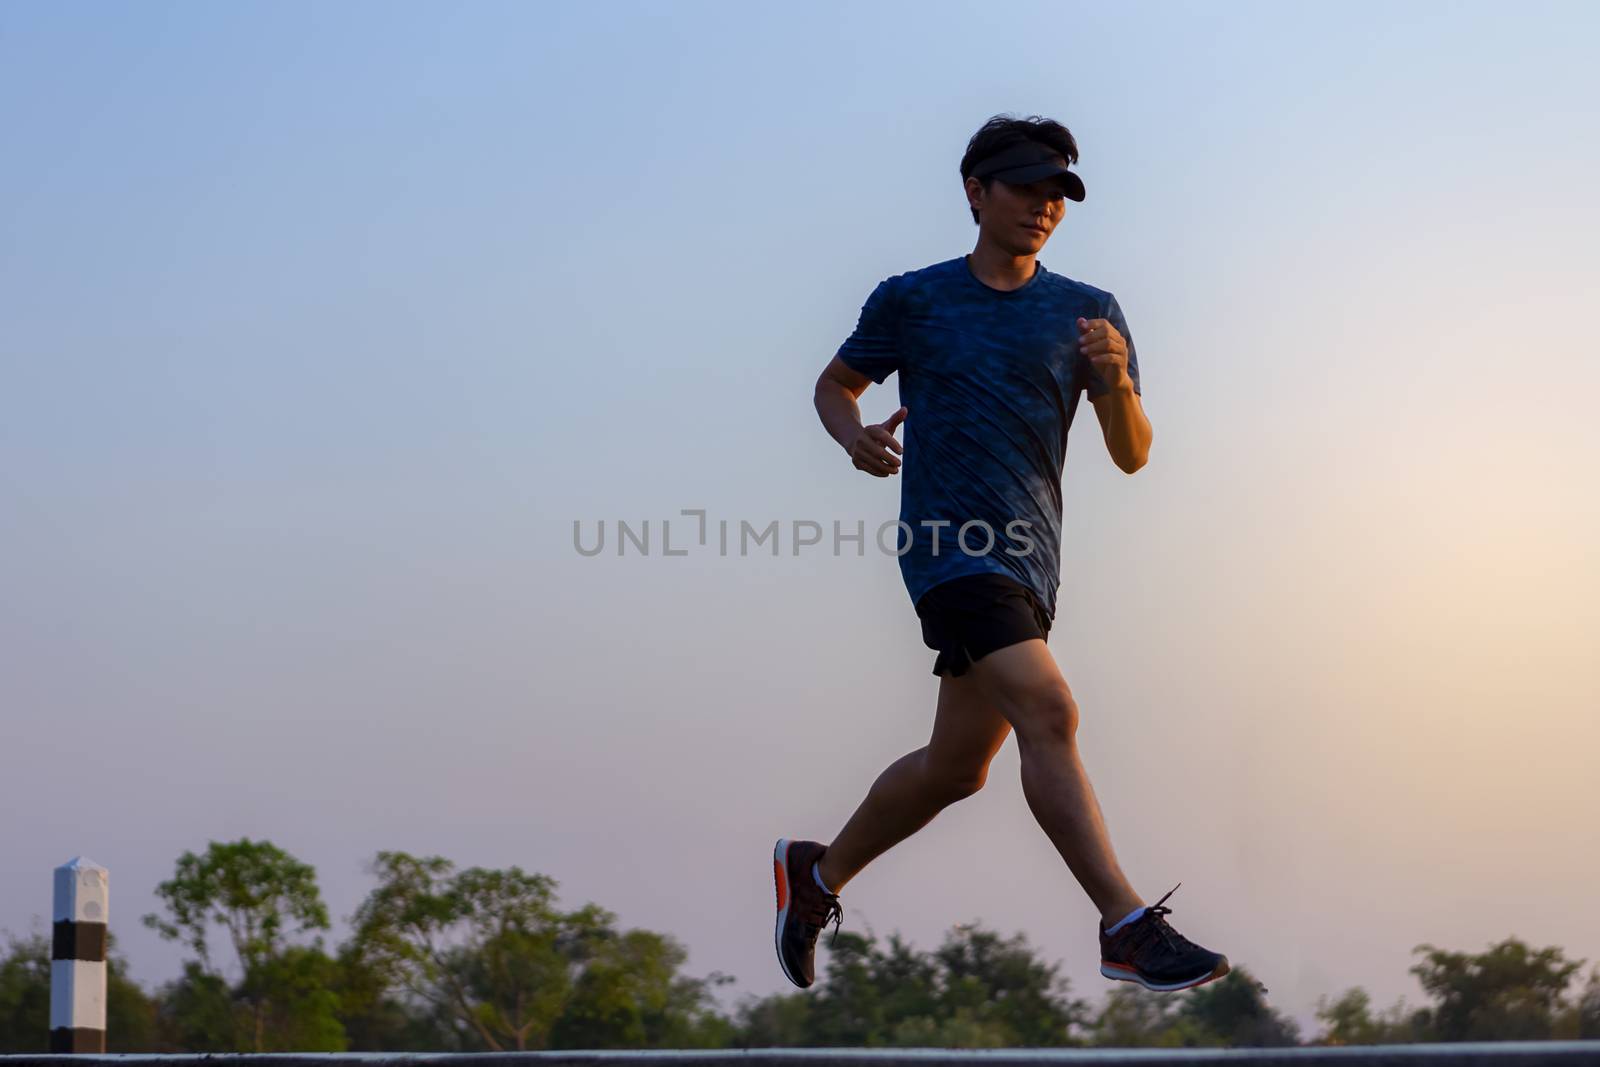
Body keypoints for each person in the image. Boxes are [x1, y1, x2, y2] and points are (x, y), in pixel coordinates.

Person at [773, 114, 1230, 994]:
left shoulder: (1089, 312)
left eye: (1057, 192)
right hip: (951, 546)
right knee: (1050, 710)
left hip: (1030, 558)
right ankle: (1126, 925)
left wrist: (1120, 379)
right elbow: (836, 384)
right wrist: (851, 437)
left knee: (958, 768)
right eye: (1025, 187)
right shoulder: (914, 298)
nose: (1043, 206)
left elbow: (1131, 452)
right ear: (976, 192)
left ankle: (815, 876)